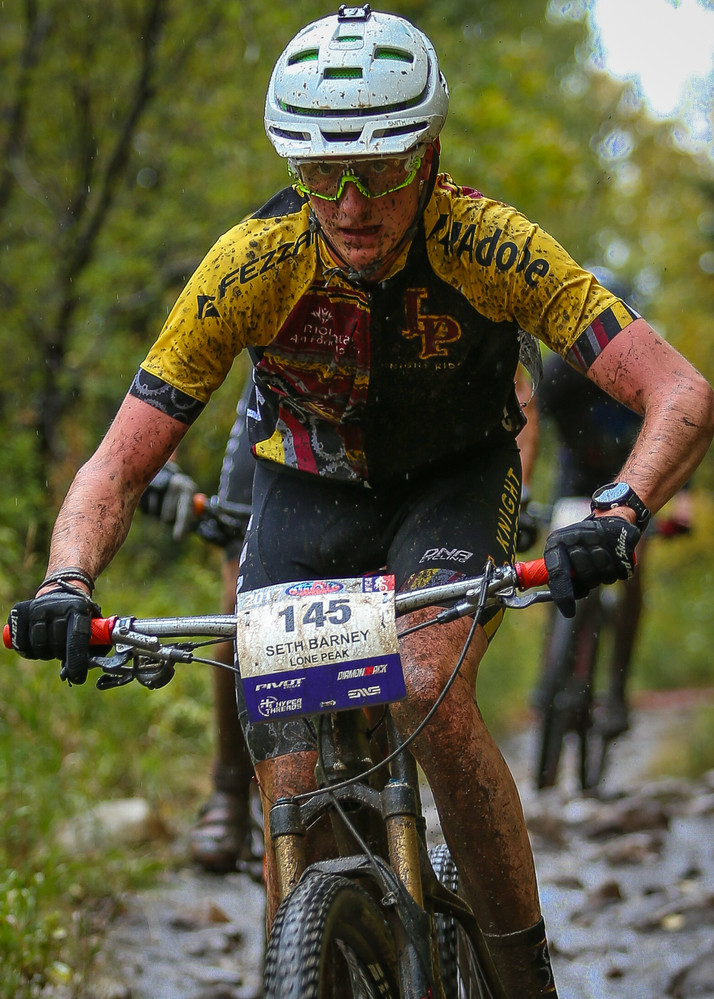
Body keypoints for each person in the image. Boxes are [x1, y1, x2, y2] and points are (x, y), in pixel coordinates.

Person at [7, 8, 713, 996]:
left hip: (453, 483)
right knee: (289, 774)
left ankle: (523, 974)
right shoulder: (249, 266)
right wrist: (66, 580)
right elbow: (117, 466)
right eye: (319, 172)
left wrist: (620, 512)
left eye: (378, 172)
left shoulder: (490, 244)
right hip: (307, 497)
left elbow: (680, 391)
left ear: (429, 157)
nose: (349, 204)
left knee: (428, 686)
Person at [524, 268, 692, 738]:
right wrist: (523, 490)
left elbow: (678, 429)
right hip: (578, 478)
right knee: (559, 560)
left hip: (635, 480)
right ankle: (553, 667)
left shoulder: (650, 367)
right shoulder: (562, 372)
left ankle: (616, 693)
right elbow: (529, 420)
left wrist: (683, 502)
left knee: (633, 571)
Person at [139, 380, 259, 872]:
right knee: (240, 610)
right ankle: (230, 787)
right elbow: (174, 363)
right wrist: (156, 460)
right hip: (279, 407)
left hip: (394, 417)